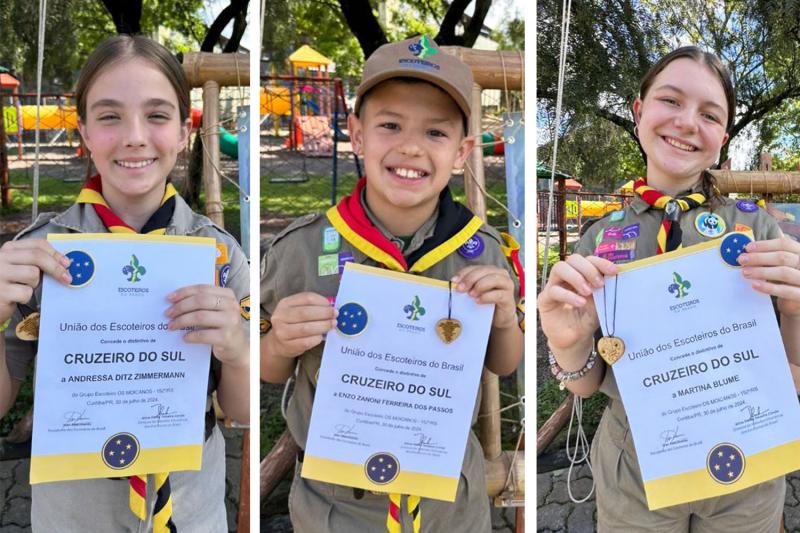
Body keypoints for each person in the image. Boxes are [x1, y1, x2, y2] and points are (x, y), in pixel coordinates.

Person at [261, 36, 524, 532]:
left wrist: (506, 318)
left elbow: (503, 363)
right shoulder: (301, 250)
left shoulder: (483, 251)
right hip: (339, 506)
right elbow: (271, 370)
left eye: (435, 133)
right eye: (389, 125)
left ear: (463, 151)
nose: (410, 147)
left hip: (451, 501)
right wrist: (277, 341)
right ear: (357, 135)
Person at [538, 46, 800, 532]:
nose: (686, 122)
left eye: (709, 114)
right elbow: (585, 385)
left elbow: (792, 379)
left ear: (722, 137)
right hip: (635, 467)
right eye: (671, 101)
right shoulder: (600, 238)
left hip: (747, 459)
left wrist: (797, 310)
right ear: (639, 112)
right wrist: (565, 340)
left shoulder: (758, 230)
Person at [0, 35, 249, 531]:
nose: (134, 136)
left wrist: (238, 350)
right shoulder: (39, 255)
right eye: (110, 116)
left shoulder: (219, 256)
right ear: (85, 132)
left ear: (184, 131)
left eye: (157, 116)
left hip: (191, 508)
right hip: (74, 513)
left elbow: (239, 413)